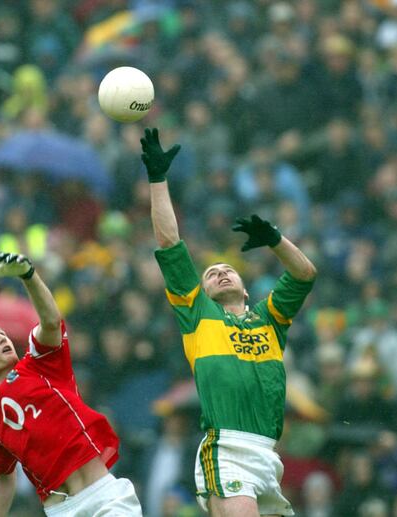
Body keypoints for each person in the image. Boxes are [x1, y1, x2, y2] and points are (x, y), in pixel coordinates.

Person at [139, 127, 318, 516]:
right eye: (211, 274)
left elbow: (304, 273)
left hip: (269, 455)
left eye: (228, 270)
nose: (220, 273)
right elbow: (170, 242)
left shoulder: (270, 319)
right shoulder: (198, 315)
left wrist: (275, 239)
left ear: (246, 288)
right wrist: (157, 178)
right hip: (227, 449)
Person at [0, 251, 143, 516]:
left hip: (105, 498)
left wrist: (29, 276)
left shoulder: (38, 362)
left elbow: (50, 321)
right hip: (62, 511)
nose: (2, 338)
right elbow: (2, 475)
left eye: (1, 334)